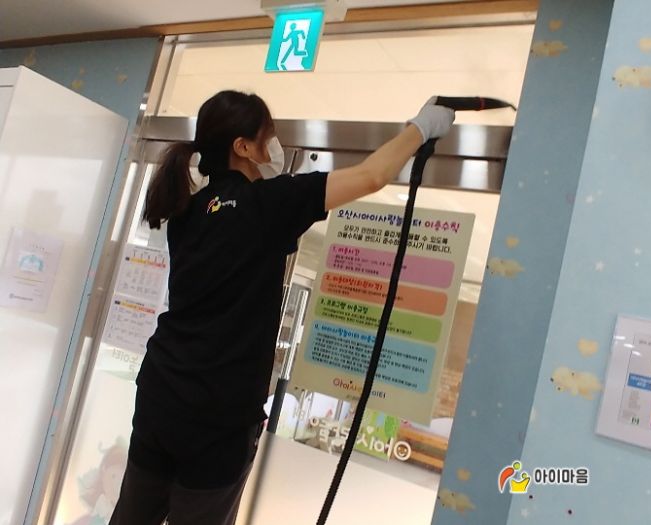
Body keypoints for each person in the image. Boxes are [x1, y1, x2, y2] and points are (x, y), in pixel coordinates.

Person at [108, 90, 454, 525]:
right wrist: (421, 128)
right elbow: (371, 176)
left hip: (161, 394)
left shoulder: (187, 211)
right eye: (267, 136)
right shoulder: (269, 203)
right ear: (242, 146)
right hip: (219, 416)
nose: (274, 146)